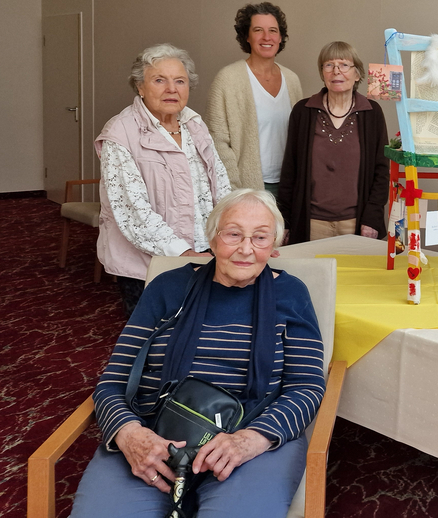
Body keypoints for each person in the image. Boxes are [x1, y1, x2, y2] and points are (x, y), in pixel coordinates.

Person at [70, 189, 326, 518]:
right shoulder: (168, 288)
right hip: (155, 434)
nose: (246, 249)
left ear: (274, 244)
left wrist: (252, 439)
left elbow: (306, 386)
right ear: (213, 237)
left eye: (260, 237)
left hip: (250, 439)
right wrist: (130, 435)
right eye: (234, 234)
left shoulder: (290, 295)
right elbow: (113, 382)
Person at [96, 43, 230, 317]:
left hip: (205, 252)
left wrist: (233, 236)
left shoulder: (194, 123)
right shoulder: (121, 133)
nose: (172, 89)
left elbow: (220, 184)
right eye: (160, 80)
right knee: (156, 342)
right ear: (140, 87)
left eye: (179, 81)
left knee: (202, 334)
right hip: (149, 263)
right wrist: (184, 254)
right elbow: (133, 212)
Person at [278, 41, 389, 244]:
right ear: (323, 73)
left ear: (357, 74)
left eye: (344, 65)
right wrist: (284, 220)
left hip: (356, 223)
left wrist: (372, 217)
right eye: (329, 65)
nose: (336, 71)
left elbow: (381, 172)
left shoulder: (372, 113)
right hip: (310, 223)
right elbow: (289, 170)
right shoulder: (303, 111)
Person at [206, 2, 303, 195]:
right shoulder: (228, 78)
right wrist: (234, 188)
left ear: (280, 37)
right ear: (247, 36)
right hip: (247, 188)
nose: (267, 37)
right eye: (258, 30)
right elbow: (216, 141)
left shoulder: (292, 80)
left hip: (288, 187)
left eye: (273, 30)